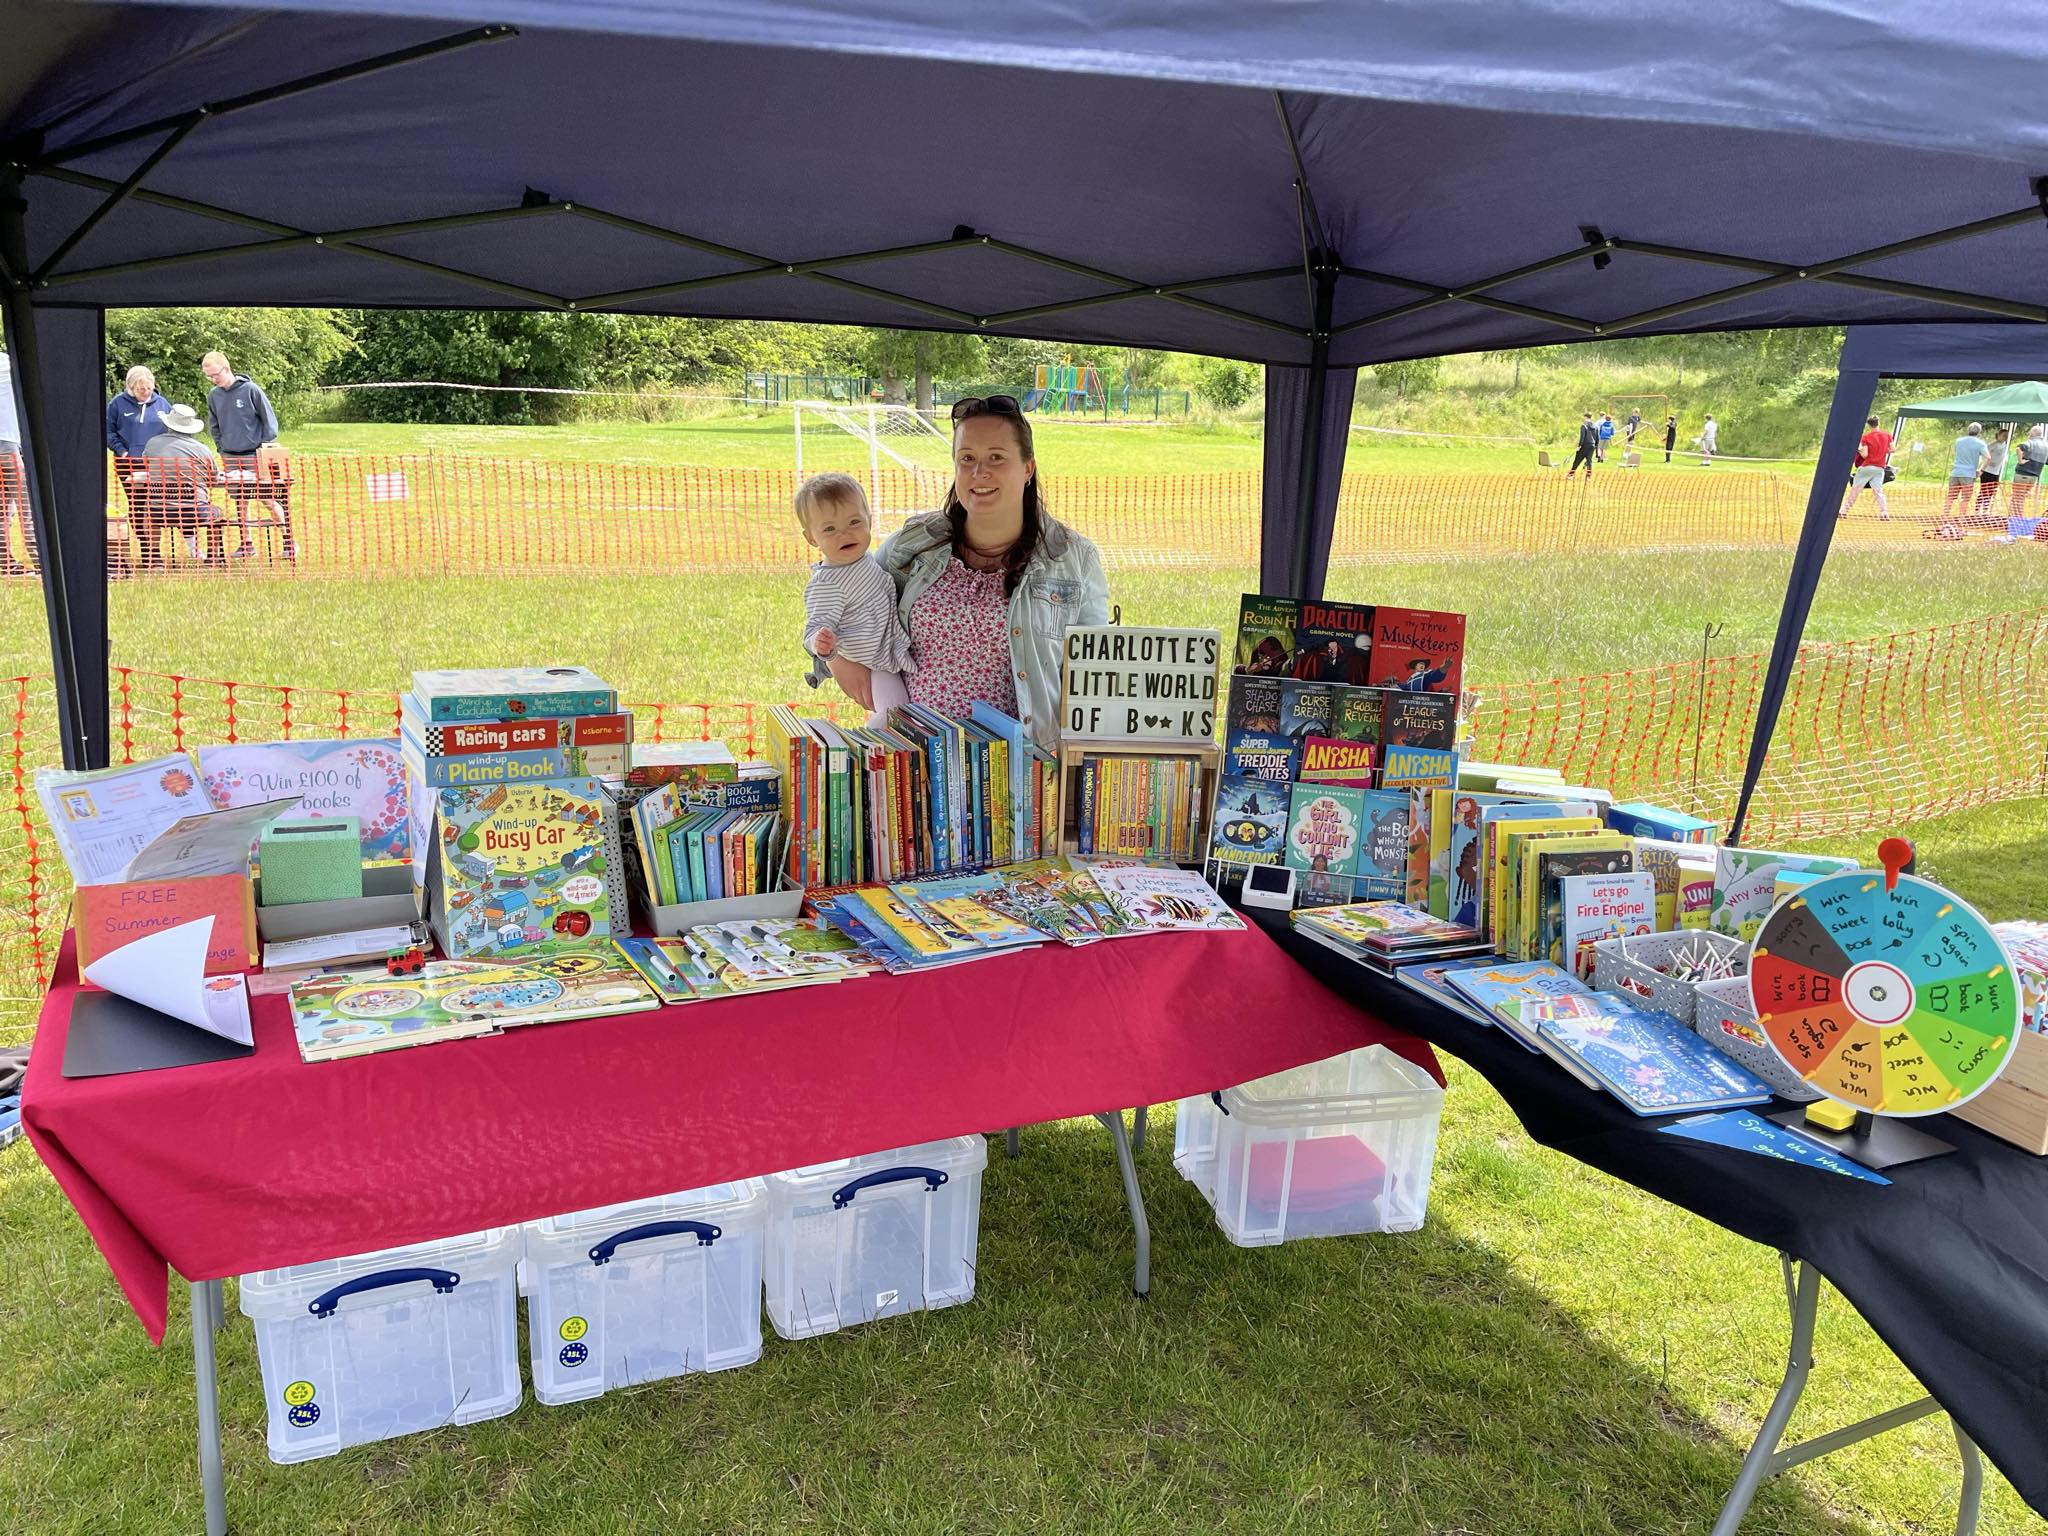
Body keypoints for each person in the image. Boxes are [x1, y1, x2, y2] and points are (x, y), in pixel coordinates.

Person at [833, 394, 1107, 751]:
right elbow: (838, 594)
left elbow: (1096, 676)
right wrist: (836, 659)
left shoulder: (1073, 559)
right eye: (967, 459)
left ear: (1028, 468)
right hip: (914, 768)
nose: (980, 472)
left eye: (996, 457)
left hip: (1022, 775)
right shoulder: (912, 546)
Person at [795, 472, 914, 722]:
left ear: (869, 520)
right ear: (811, 538)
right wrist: (822, 645)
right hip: (871, 666)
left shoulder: (863, 559)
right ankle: (872, 748)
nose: (845, 534)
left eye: (854, 522)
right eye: (830, 529)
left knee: (897, 713)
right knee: (896, 714)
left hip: (884, 652)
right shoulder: (828, 583)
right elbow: (812, 630)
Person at [201, 350, 290, 558]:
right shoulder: (214, 396)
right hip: (230, 457)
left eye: (216, 374)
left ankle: (288, 540)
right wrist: (221, 447)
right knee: (239, 501)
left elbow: (270, 424)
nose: (213, 379)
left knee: (267, 499)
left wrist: (263, 450)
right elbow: (214, 426)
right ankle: (246, 543)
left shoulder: (251, 390)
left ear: (226, 368)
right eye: (209, 376)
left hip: (255, 455)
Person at [139, 404, 219, 567]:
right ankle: (211, 557)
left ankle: (155, 558)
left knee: (148, 511)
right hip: (195, 511)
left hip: (159, 511)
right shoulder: (202, 449)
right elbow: (213, 477)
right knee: (218, 515)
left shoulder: (152, 444)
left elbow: (147, 466)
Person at [106, 365, 172, 545]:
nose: (146, 391)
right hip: (129, 462)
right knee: (138, 503)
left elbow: (173, 431)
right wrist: (122, 451)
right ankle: (145, 545)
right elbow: (108, 431)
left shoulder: (162, 404)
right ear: (131, 387)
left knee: (154, 504)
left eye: (149, 388)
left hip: (156, 463)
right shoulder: (117, 404)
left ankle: (153, 550)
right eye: (141, 389)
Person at [0, 353, 31, 576]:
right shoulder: (8, 363)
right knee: (26, 505)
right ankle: (42, 562)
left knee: (5, 507)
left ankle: (5, 559)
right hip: (8, 444)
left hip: (11, 442)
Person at [1841, 415, 1893, 521]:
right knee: (1878, 491)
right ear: (1878, 423)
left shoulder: (1866, 437)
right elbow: (1892, 449)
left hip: (1867, 466)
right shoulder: (1887, 435)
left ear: (1868, 425)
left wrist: (1857, 449)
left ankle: (1843, 511)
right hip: (1880, 468)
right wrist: (1882, 451)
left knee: (1855, 490)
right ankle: (1884, 513)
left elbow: (1864, 455)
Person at [1940, 420, 1988, 529]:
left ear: (1968, 430)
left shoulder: (1958, 441)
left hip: (1956, 471)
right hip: (1969, 474)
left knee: (1951, 496)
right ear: (1979, 432)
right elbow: (1988, 457)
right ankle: (1961, 519)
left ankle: (1944, 516)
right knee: (1965, 498)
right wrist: (1981, 470)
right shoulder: (1980, 443)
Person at [2008, 424, 2048, 520]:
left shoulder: (2031, 442)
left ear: (2034, 433)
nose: (2029, 433)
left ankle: (2017, 519)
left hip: (2023, 474)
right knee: (2020, 497)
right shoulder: (2046, 446)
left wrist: (2020, 460)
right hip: (2034, 476)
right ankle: (2011, 518)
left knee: (2018, 498)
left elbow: (2019, 448)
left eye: (2031, 431)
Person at [1975, 426, 2009, 518]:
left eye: (2006, 436)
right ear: (1998, 436)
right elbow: (1984, 454)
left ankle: (1986, 510)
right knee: (1983, 491)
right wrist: (1987, 463)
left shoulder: (2006, 445)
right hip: (1987, 471)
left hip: (1996, 472)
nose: (2005, 438)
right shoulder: (1992, 445)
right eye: (2003, 436)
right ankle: (1977, 510)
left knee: (1991, 491)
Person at [1566, 412, 1598, 479]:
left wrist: (1579, 446)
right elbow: (1597, 437)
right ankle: (1588, 477)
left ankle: (1571, 475)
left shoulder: (1583, 425)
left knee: (1577, 460)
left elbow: (1582, 437)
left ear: (1585, 417)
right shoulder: (1595, 426)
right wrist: (1595, 446)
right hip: (1592, 445)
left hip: (1584, 445)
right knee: (1589, 461)